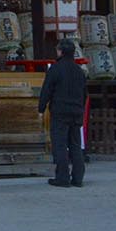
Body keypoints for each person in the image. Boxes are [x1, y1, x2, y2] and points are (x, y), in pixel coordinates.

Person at [38, 39, 88, 188]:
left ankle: (62, 177)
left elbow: (47, 90)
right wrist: (80, 108)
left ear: (60, 51)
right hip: (76, 111)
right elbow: (84, 93)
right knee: (75, 144)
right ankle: (78, 178)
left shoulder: (55, 69)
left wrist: (41, 108)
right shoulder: (79, 71)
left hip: (60, 111)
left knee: (59, 145)